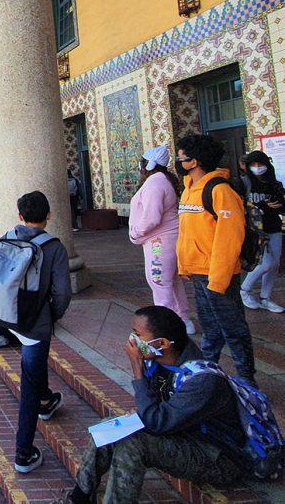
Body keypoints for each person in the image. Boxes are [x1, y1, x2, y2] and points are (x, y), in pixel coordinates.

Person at [59, 306, 248, 504]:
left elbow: (157, 423)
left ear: (163, 343)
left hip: (218, 458)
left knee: (133, 444)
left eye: (138, 335)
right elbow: (154, 413)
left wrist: (137, 370)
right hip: (181, 434)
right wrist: (139, 414)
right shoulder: (159, 363)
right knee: (110, 428)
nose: (132, 341)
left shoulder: (201, 381)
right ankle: (78, 498)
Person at [0, 191, 71, 474]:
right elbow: (62, 293)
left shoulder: (7, 237)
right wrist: (52, 316)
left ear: (20, 216)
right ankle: (23, 453)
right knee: (29, 383)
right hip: (34, 324)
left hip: (6, 316)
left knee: (34, 369)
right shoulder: (54, 247)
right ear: (49, 216)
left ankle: (46, 399)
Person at [175, 134, 255, 384]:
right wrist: (185, 265)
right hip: (199, 272)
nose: (178, 162)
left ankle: (247, 380)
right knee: (210, 327)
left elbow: (229, 239)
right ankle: (206, 371)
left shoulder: (220, 191)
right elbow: (187, 232)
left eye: (181, 158)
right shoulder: (188, 189)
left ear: (194, 162)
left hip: (218, 274)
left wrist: (218, 279)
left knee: (234, 329)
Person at [129, 146, 195, 334]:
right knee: (171, 281)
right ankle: (183, 319)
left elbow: (151, 218)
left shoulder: (155, 184)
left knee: (159, 282)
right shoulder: (162, 180)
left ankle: (167, 327)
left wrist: (135, 233)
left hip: (159, 242)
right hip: (165, 239)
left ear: (148, 165)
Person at [238, 150, 285, 312]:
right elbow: (239, 206)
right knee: (266, 263)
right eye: (254, 164)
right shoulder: (243, 183)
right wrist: (262, 206)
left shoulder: (273, 184)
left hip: (274, 227)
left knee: (275, 264)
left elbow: (281, 205)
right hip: (254, 230)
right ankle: (245, 289)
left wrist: (279, 204)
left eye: (261, 164)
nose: (257, 167)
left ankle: (266, 297)